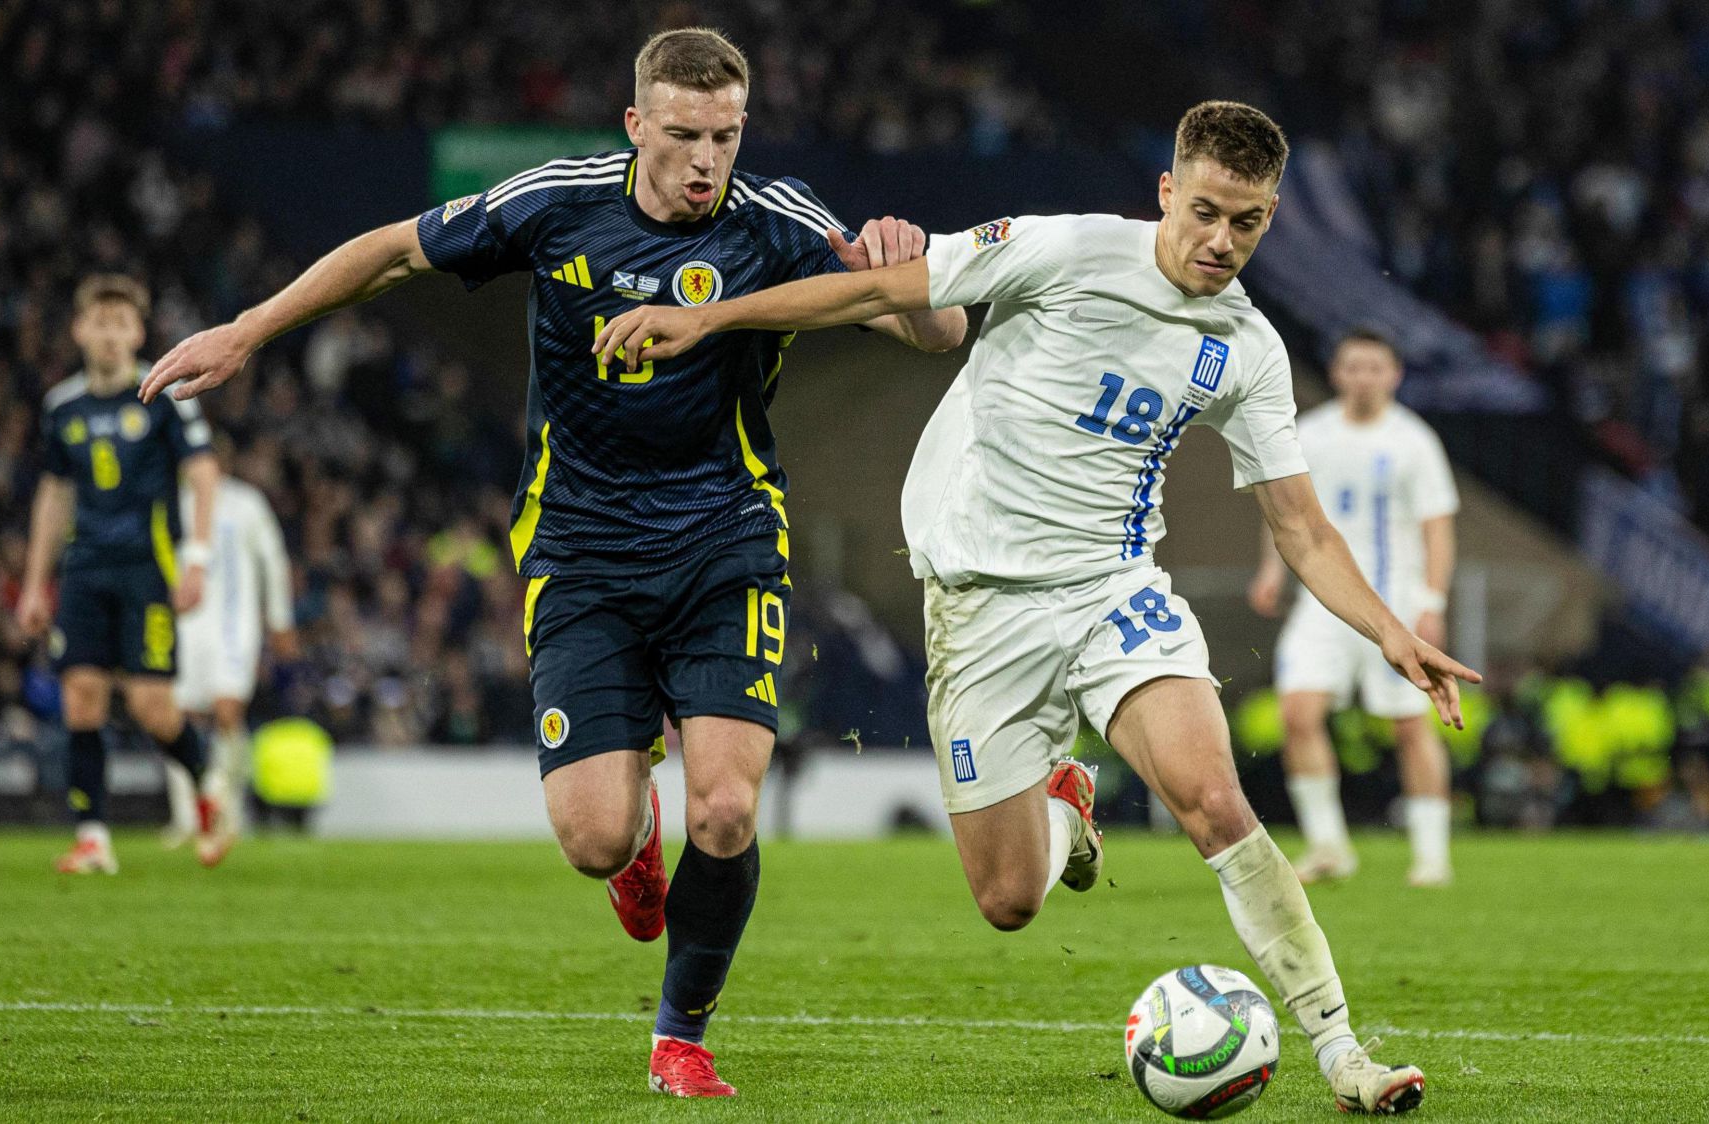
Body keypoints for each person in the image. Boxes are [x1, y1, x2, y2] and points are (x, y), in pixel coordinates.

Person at [594, 99, 1480, 1115]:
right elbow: (877, 288)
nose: (1220, 240)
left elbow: (1302, 528)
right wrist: (705, 319)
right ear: (1166, 192)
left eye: (1247, 222)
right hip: (980, 608)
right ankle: (1067, 804)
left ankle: (1343, 1052)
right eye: (1203, 211)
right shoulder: (1063, 252)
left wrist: (1392, 632)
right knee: (1008, 899)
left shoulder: (1247, 348)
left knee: (1214, 801)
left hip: (1114, 589)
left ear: (1270, 216)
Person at [138, 27, 966, 1098]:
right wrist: (250, 330)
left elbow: (938, 331)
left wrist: (906, 271)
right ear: (635, 125)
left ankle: (681, 1034)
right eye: (683, 135)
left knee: (725, 807)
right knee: (592, 838)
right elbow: (392, 252)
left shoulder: (778, 220)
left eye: (724, 136)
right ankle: (634, 843)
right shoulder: (558, 201)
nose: (706, 159)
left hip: (724, 540)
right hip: (579, 550)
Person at [15, 274, 233, 874]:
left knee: (150, 706)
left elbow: (204, 474)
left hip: (146, 568)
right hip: (84, 568)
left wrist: (196, 561)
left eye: (121, 323)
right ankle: (93, 839)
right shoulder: (61, 406)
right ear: (78, 330)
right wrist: (35, 583)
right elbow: (54, 495)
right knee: (80, 698)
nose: (109, 334)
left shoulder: (163, 395)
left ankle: (207, 780)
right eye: (99, 322)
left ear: (138, 333)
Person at [1246, 329, 1460, 887]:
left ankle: (1431, 855)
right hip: (1323, 603)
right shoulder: (1309, 434)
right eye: (1353, 366)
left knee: (1410, 726)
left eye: (1374, 367)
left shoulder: (1415, 441)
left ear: (1394, 375)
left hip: (1395, 605)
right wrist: (1271, 571)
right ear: (1336, 373)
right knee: (1297, 714)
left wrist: (1432, 600)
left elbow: (1437, 528)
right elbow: (1285, 512)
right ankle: (1328, 847)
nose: (1363, 377)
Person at [162, 441, 297, 845]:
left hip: (235, 624)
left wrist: (280, 619)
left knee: (227, 710)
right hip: (186, 624)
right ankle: (186, 816)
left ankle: (228, 806)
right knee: (178, 716)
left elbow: (273, 560)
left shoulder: (246, 503)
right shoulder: (172, 503)